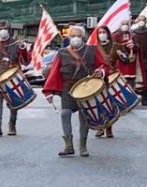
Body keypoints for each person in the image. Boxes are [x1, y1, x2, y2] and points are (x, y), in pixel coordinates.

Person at [44, 24, 106, 158]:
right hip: (68, 88)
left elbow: (104, 65)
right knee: (65, 113)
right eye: (73, 36)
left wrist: (101, 72)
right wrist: (48, 91)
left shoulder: (92, 50)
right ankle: (68, 146)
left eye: (78, 36)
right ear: (68, 37)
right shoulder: (62, 52)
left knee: (84, 116)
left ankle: (83, 146)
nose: (75, 38)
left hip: (86, 87)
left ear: (83, 37)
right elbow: (54, 72)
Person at [0, 20, 29, 136]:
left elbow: (26, 60)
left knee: (14, 100)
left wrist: (23, 48)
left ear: (9, 30)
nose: (2, 31)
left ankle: (12, 124)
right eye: (0, 29)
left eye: (4, 28)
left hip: (13, 75)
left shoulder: (16, 43)